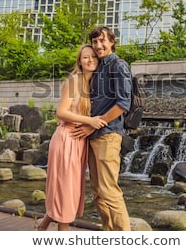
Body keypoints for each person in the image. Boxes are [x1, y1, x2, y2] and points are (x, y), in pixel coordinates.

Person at [36, 44, 107, 231]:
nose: (90, 60)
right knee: (65, 189)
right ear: (80, 62)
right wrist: (89, 121)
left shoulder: (93, 84)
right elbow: (61, 112)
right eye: (85, 57)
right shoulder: (74, 81)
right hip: (66, 138)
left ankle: (42, 226)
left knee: (67, 188)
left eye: (93, 56)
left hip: (79, 141)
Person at [72, 26, 132, 231]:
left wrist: (93, 125)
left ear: (112, 42)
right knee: (98, 191)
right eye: (95, 42)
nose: (98, 46)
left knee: (109, 190)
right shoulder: (98, 67)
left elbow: (123, 103)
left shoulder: (119, 65)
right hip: (93, 135)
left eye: (102, 41)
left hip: (108, 134)